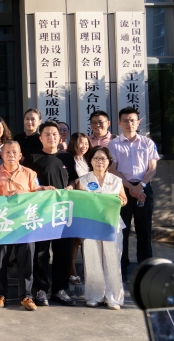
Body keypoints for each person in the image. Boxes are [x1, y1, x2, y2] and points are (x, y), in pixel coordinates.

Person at [23, 121, 79, 307]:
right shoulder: (32, 158)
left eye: (54, 134)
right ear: (40, 138)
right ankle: (41, 289)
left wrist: (71, 186)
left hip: (63, 211)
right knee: (41, 252)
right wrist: (41, 188)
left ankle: (59, 290)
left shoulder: (67, 157)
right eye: (46, 134)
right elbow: (28, 184)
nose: (51, 137)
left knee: (63, 250)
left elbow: (73, 179)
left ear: (60, 137)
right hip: (41, 211)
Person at [109, 107, 159, 281]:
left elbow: (152, 168)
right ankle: (121, 272)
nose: (129, 123)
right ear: (119, 123)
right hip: (122, 190)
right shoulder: (114, 144)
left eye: (132, 120)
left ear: (138, 122)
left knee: (144, 231)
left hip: (144, 188)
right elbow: (112, 169)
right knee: (122, 232)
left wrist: (141, 186)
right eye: (125, 120)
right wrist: (132, 187)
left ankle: (145, 273)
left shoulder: (147, 143)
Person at [76, 146, 128, 309]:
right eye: (96, 158)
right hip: (90, 224)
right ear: (90, 161)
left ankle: (113, 297)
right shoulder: (83, 180)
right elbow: (79, 202)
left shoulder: (116, 180)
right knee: (92, 258)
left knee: (113, 258)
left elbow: (124, 199)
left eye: (103, 159)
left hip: (111, 224)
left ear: (108, 161)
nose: (99, 162)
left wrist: (119, 201)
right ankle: (94, 295)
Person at [0, 140, 40, 311]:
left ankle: (26, 296)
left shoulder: (30, 173)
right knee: (0, 260)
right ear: (1, 155)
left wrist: (22, 193)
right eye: (7, 152)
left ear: (20, 155)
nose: (11, 155)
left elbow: (37, 195)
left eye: (14, 153)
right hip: (2, 222)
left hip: (24, 223)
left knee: (26, 259)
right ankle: (0, 294)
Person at [67, 131, 92, 285]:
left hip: (90, 203)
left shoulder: (89, 159)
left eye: (86, 143)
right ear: (74, 144)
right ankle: (72, 270)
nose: (84, 146)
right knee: (75, 239)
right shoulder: (69, 159)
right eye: (80, 143)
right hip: (76, 202)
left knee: (88, 238)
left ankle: (88, 269)